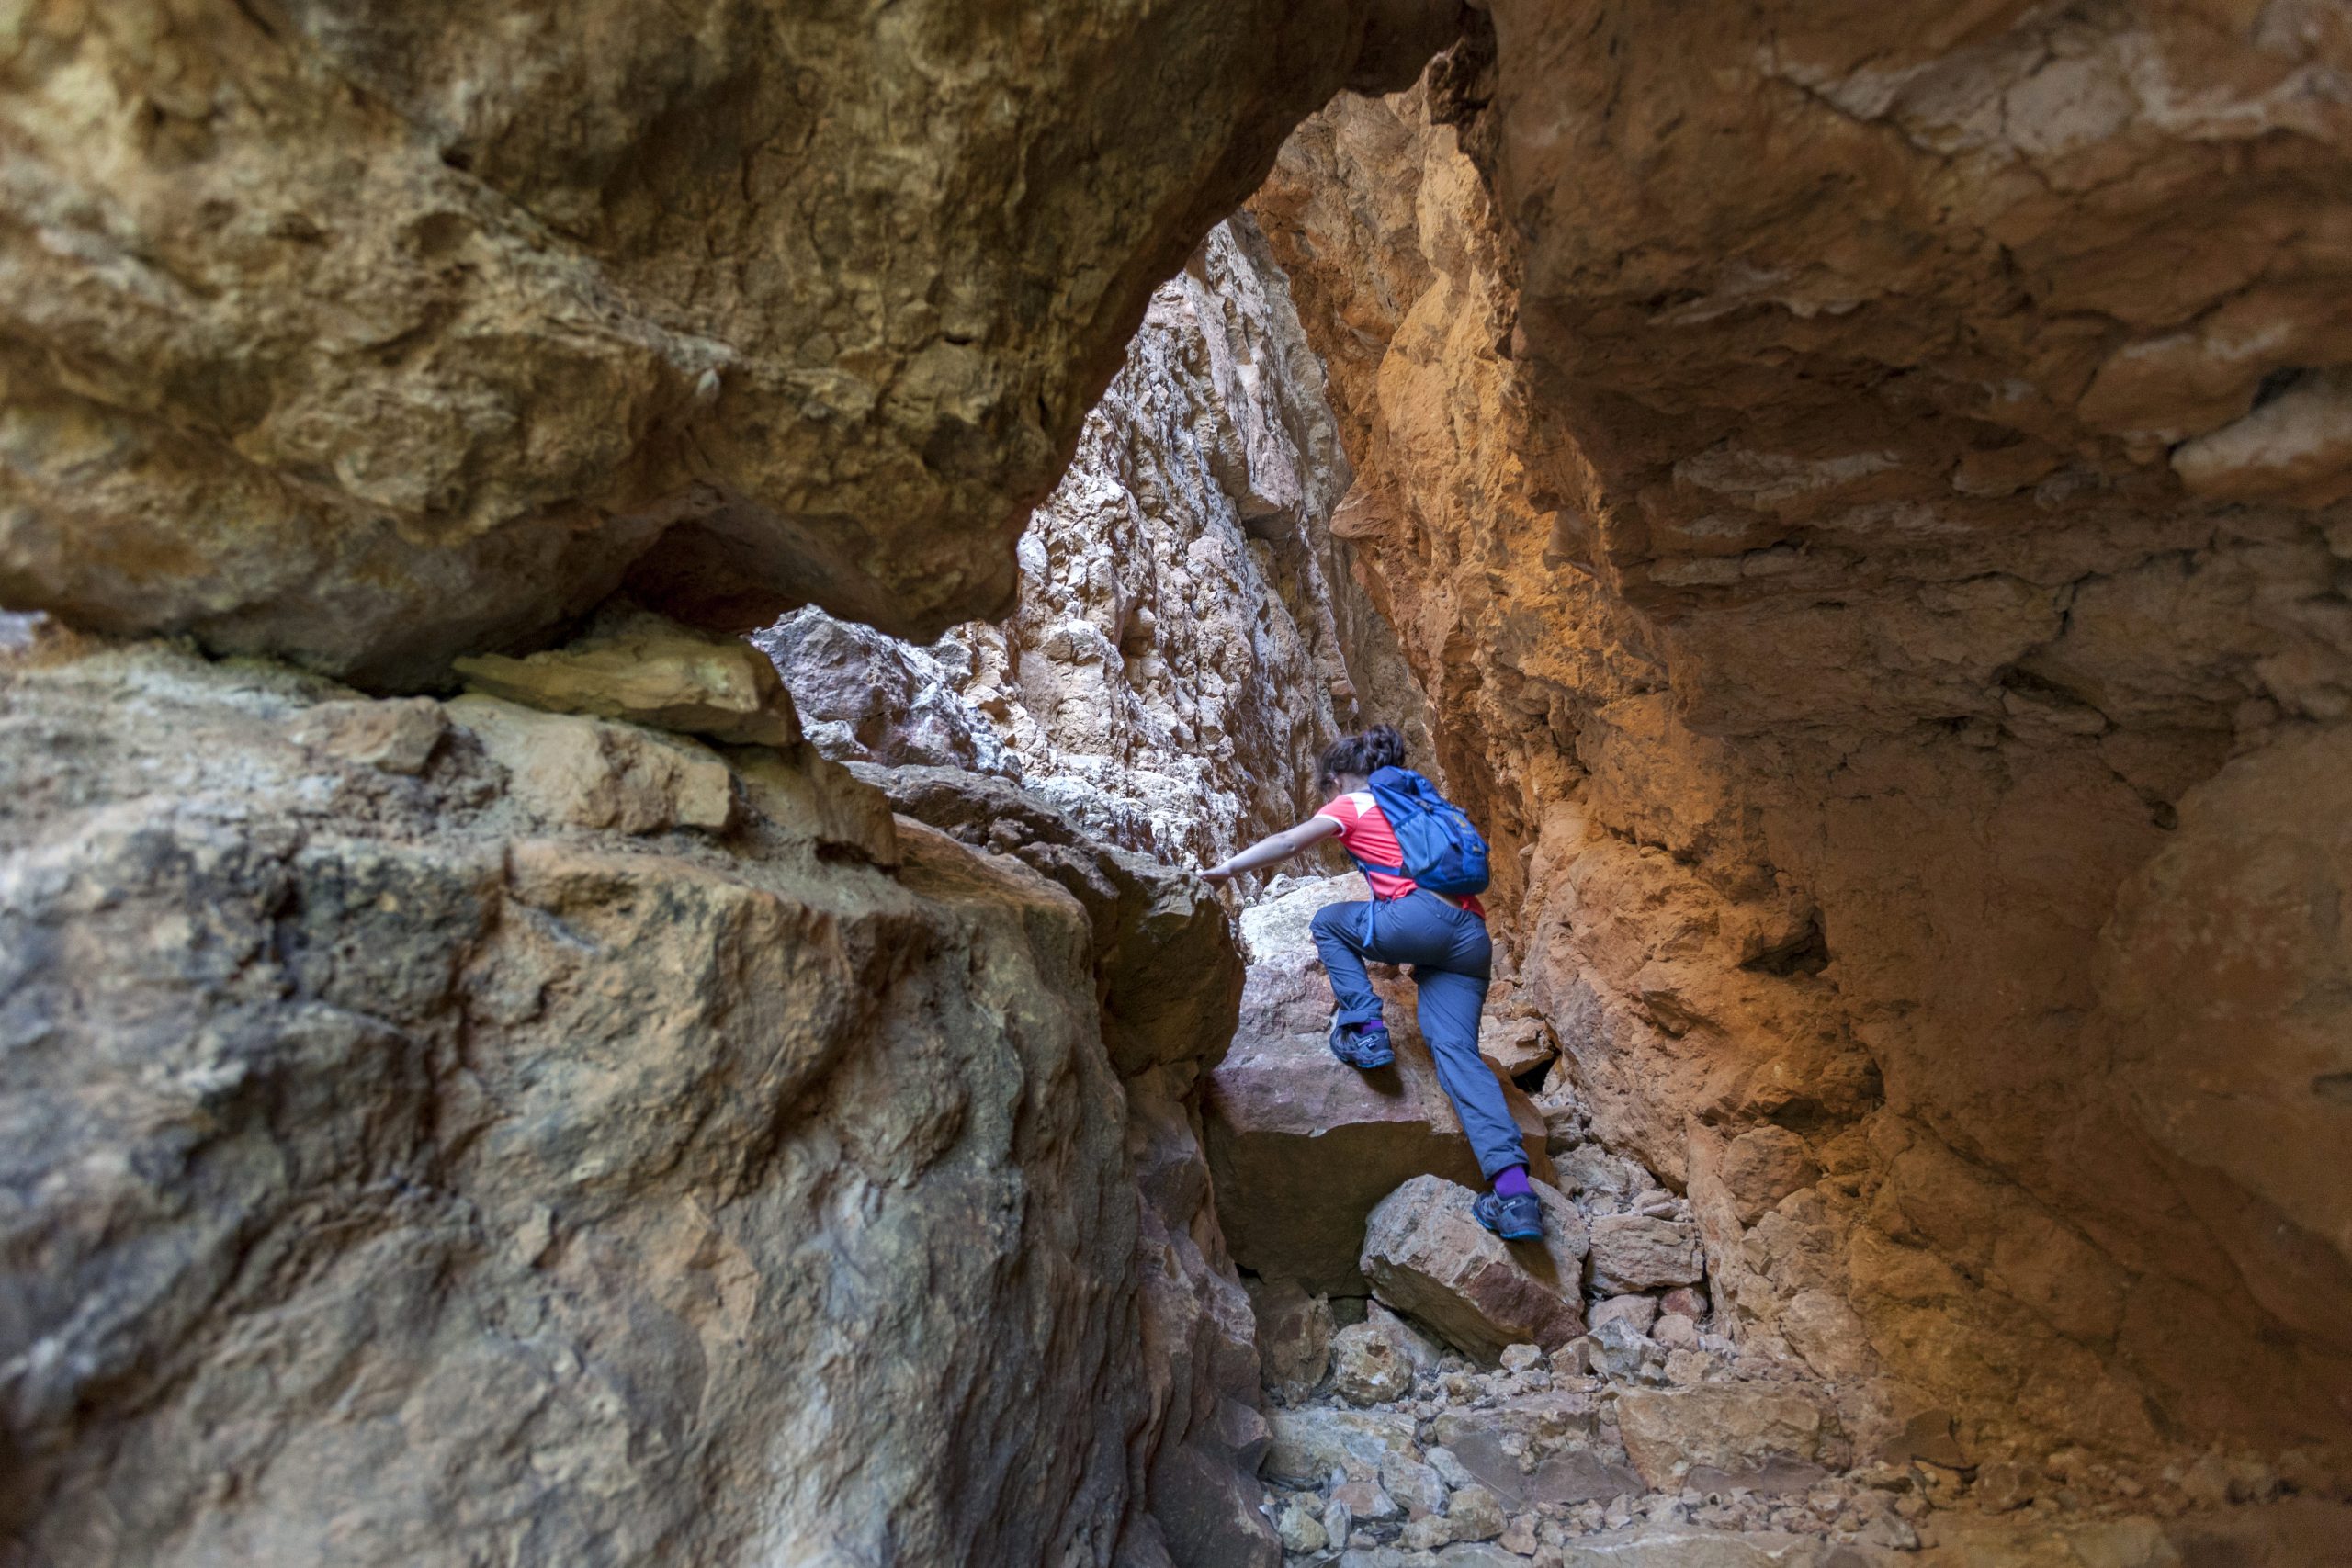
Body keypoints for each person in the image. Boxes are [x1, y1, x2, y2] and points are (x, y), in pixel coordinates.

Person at [1199, 725, 1543, 1241]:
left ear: (1336, 781)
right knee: (1456, 1054)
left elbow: (1290, 842)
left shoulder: (1353, 803)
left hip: (1418, 920)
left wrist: (1227, 868)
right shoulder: (1425, 806)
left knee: (1330, 921)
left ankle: (1365, 1028)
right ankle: (1515, 1196)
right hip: (1471, 935)